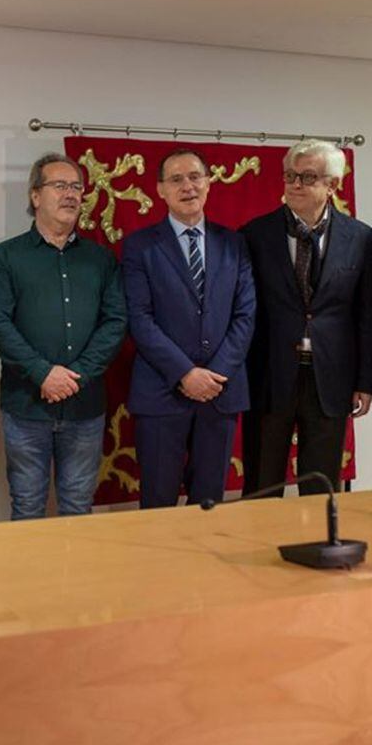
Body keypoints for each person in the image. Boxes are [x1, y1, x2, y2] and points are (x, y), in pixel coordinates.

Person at [0, 152, 125, 520]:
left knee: (78, 507)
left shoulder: (101, 259)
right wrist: (43, 373)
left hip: (84, 406)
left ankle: (75, 580)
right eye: (59, 185)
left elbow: (115, 322)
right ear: (35, 196)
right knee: (27, 507)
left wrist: (75, 377)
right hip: (25, 406)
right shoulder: (5, 257)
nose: (71, 194)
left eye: (76, 186)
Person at [122, 149, 255, 508]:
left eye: (195, 177)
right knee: (158, 504)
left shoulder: (235, 243)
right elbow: (139, 318)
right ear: (160, 189)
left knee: (209, 503)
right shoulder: (139, 246)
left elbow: (245, 315)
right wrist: (184, 373)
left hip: (220, 391)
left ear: (208, 183)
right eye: (176, 179)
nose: (188, 186)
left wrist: (215, 374)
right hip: (162, 392)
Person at [241, 139, 372, 496]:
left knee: (321, 484)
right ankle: (258, 548)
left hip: (330, 378)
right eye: (290, 176)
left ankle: (317, 546)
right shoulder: (255, 234)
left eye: (308, 177)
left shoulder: (360, 238)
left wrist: (365, 380)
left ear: (332, 185)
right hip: (269, 375)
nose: (295, 185)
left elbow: (365, 314)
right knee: (262, 483)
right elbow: (243, 312)